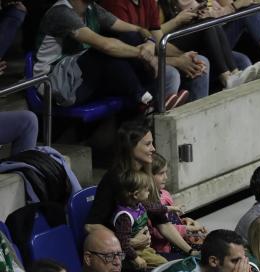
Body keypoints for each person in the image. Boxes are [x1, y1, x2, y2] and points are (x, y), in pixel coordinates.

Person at [85, 122, 195, 256]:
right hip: (120, 254)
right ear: (131, 147)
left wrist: (190, 251)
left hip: (145, 249)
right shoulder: (115, 179)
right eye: (148, 144)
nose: (153, 148)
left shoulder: (144, 175)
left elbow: (162, 223)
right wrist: (127, 242)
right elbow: (91, 226)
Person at [33, 0, 167, 109]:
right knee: (106, 52)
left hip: (81, 77)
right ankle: (147, 101)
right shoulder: (61, 13)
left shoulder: (92, 8)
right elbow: (106, 46)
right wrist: (143, 54)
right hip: (56, 84)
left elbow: (135, 30)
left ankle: (149, 99)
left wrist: (147, 39)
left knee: (131, 37)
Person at [100, 0, 211, 102]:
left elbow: (159, 42)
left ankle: (195, 117)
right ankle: (154, 117)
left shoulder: (149, 2)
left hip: (147, 59)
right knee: (170, 74)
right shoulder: (115, 3)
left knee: (200, 62)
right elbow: (134, 56)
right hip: (125, 68)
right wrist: (177, 61)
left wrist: (183, 56)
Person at [112, 170, 168, 272]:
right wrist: (136, 258)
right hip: (135, 252)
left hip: (145, 248)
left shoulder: (138, 205)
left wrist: (171, 208)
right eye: (146, 189)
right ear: (136, 194)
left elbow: (154, 208)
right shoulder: (125, 216)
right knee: (164, 264)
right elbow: (123, 243)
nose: (149, 191)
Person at [150, 153, 207, 255]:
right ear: (148, 177)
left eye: (166, 172)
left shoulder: (165, 194)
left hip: (182, 239)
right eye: (161, 173)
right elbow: (158, 232)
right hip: (167, 249)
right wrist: (188, 229)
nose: (166, 177)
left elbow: (171, 221)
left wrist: (185, 221)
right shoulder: (150, 205)